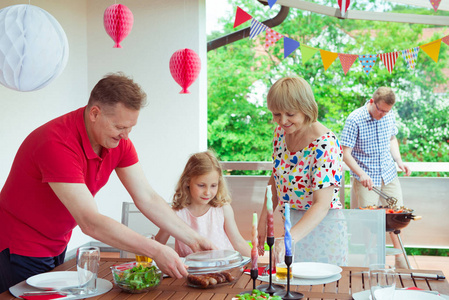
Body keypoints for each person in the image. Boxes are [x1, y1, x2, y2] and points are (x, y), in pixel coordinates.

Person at [0, 72, 215, 293]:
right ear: (95, 113)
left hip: (57, 241)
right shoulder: (56, 142)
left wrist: (194, 239)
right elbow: (90, 222)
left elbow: (147, 197)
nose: (125, 135)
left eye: (130, 128)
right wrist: (156, 250)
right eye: (120, 127)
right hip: (20, 244)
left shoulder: (118, 142)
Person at [256, 77, 347, 265]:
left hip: (323, 230)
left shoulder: (326, 143)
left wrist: (288, 239)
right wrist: (264, 221)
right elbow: (276, 178)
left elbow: (321, 204)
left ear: (306, 109)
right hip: (290, 223)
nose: (282, 120)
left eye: (290, 113)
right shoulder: (281, 133)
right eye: (276, 114)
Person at [340, 86, 411, 268]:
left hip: (388, 173)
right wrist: (361, 174)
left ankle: (400, 261)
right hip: (365, 176)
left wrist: (399, 161)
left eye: (387, 111)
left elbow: (391, 139)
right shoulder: (354, 119)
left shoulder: (388, 115)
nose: (383, 115)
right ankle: (373, 264)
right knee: (370, 222)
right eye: (380, 110)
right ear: (372, 102)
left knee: (398, 216)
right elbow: (345, 153)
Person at [155, 151, 251, 257]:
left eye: (213, 185)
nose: (208, 192)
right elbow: (158, 244)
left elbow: (238, 242)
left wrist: (259, 265)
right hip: (190, 273)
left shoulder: (223, 209)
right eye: (201, 185)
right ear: (187, 181)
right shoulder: (175, 214)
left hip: (224, 271)